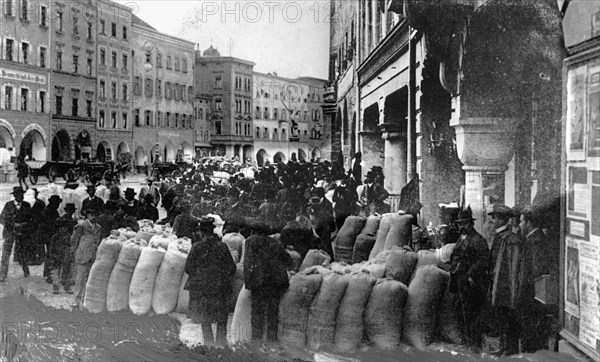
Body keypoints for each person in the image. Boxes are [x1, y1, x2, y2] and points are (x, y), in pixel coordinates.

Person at [184, 217, 236, 346]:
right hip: (220, 286)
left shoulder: (196, 247)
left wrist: (202, 276)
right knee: (221, 316)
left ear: (201, 232)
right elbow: (232, 267)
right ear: (213, 231)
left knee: (205, 317)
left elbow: (188, 268)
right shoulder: (222, 246)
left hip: (203, 287)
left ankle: (208, 343)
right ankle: (221, 342)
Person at [449, 206, 490, 352]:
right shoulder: (461, 238)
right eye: (460, 224)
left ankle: (474, 346)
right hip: (460, 281)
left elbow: (484, 259)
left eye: (465, 223)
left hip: (472, 283)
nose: (462, 226)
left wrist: (471, 273)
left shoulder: (478, 240)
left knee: (472, 314)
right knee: (461, 312)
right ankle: (467, 342)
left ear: (471, 224)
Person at [244, 219, 293, 343]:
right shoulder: (274, 242)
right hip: (275, 283)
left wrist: (249, 283)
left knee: (257, 313)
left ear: (254, 231)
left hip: (259, 282)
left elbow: (248, 263)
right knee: (272, 313)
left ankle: (256, 340)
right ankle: (271, 341)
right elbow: (288, 261)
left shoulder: (251, 241)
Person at [517, 207, 558, 352]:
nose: (519, 225)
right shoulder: (533, 239)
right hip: (533, 297)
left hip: (532, 297)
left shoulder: (536, 241)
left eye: (521, 222)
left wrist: (521, 291)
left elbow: (535, 272)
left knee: (532, 337)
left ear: (529, 223)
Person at [488, 204, 522, 355]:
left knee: (509, 321)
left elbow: (514, 269)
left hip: (507, 288)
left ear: (502, 220)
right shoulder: (500, 237)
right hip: (499, 286)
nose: (492, 221)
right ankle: (503, 348)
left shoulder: (511, 240)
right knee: (501, 319)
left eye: (494, 218)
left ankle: (510, 350)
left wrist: (513, 291)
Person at [70, 208, 102, 309]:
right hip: (83, 255)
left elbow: (98, 241)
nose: (93, 217)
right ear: (87, 215)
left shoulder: (99, 227)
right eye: (91, 214)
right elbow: (74, 240)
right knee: (80, 279)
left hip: (93, 255)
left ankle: (85, 301)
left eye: (95, 215)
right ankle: (76, 300)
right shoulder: (81, 226)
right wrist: (76, 253)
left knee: (89, 280)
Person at [0, 187, 32, 281]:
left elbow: (31, 219)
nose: (21, 196)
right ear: (14, 196)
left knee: (23, 252)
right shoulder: (8, 205)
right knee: (6, 253)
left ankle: (26, 271)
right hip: (10, 233)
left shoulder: (26, 205)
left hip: (22, 233)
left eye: (22, 194)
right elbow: (2, 218)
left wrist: (24, 224)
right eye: (18, 194)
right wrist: (12, 225)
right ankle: (2, 274)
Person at [48, 203, 78, 294]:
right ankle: (56, 287)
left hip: (65, 252)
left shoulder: (71, 224)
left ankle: (66, 286)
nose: (63, 229)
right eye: (62, 228)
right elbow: (51, 246)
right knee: (56, 270)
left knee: (66, 269)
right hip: (57, 253)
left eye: (72, 210)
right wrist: (52, 254)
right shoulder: (56, 235)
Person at [41, 195, 62, 283]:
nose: (58, 205)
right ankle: (48, 275)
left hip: (51, 236)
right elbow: (48, 225)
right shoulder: (48, 211)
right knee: (50, 255)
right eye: (57, 203)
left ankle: (49, 274)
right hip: (49, 237)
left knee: (51, 255)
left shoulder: (52, 210)